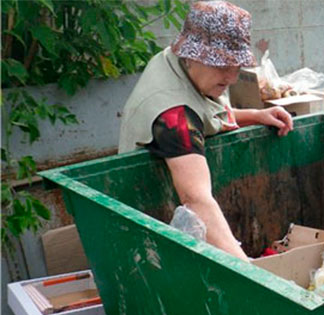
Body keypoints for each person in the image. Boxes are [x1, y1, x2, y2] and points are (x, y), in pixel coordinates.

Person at [118, 1, 293, 262]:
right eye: (223, 66)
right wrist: (252, 272)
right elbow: (196, 200)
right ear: (192, 56)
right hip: (150, 229)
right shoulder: (173, 116)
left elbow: (205, 115)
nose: (232, 79)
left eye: (236, 67)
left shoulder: (177, 64)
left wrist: (256, 116)